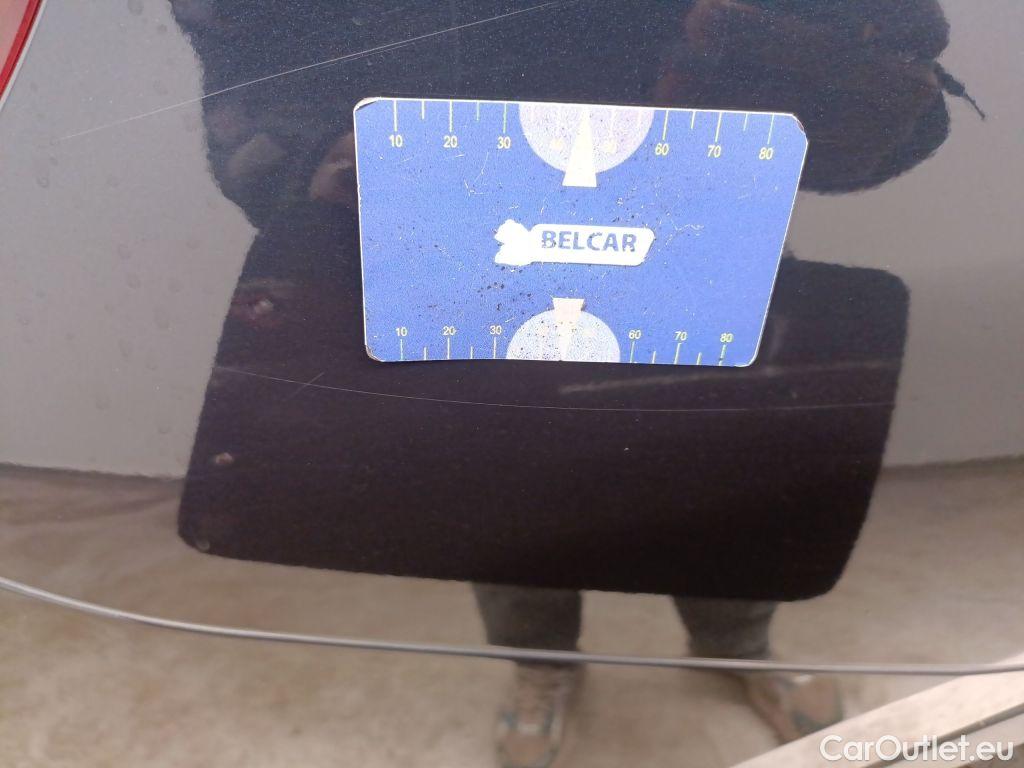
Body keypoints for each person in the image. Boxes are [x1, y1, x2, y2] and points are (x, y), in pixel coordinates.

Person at [172, 2, 980, 766]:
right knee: (503, 472)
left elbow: (901, 106)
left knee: (725, 455)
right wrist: (317, 153)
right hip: (455, 216)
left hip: (692, 207)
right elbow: (247, 74)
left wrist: (836, 52)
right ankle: (542, 663)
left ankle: (736, 645)